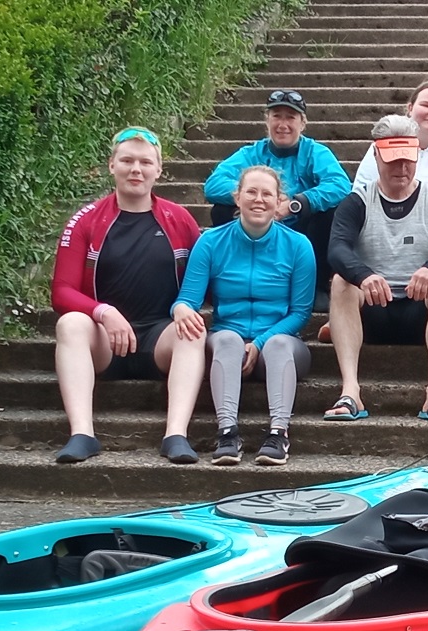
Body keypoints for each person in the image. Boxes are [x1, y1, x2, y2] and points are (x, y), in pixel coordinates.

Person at [51, 126, 205, 465]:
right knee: (71, 324)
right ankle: (82, 433)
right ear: (112, 166)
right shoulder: (86, 221)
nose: (136, 169)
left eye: (145, 162)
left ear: (158, 171)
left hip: (158, 338)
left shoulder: (179, 219)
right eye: (127, 161)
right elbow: (61, 291)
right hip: (105, 341)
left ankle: (175, 434)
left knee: (194, 329)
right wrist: (103, 312)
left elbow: (204, 279)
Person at [324, 115, 428, 424]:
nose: (401, 169)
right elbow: (337, 250)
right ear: (376, 156)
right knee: (341, 281)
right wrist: (363, 274)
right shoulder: (357, 202)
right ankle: (350, 390)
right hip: (374, 308)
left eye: (407, 160)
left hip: (420, 310)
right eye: (393, 161)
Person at [172, 166, 315, 466]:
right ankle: (227, 433)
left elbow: (301, 312)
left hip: (282, 342)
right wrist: (181, 309)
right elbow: (187, 299)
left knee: (277, 344)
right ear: (237, 198)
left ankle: (279, 433)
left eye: (267, 194)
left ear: (279, 203)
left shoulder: (298, 245)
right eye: (251, 192)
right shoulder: (210, 242)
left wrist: (260, 342)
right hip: (229, 339)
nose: (258, 200)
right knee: (225, 339)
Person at [203, 89, 351, 311]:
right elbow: (213, 185)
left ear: (302, 123)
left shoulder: (315, 152)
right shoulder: (250, 153)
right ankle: (234, 284)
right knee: (221, 210)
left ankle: (316, 286)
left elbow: (340, 185)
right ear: (267, 121)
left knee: (330, 213)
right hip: (259, 227)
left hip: (300, 228)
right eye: (277, 116)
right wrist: (257, 198)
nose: (283, 124)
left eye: (290, 117)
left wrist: (296, 204)